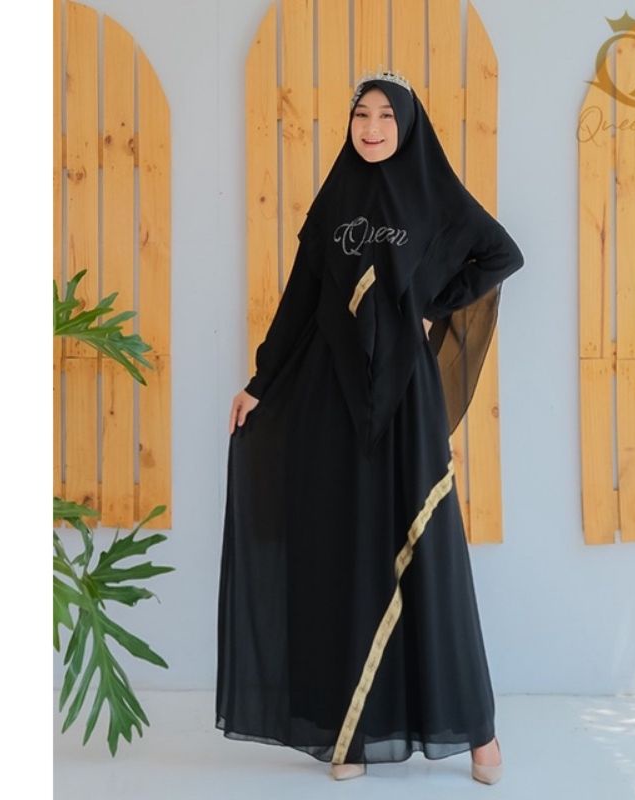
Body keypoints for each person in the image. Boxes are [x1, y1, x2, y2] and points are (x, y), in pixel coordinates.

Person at [216, 69, 524, 784]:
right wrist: (260, 382)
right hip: (333, 399)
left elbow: (502, 254)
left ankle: (478, 734)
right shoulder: (334, 201)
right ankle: (348, 734)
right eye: (362, 114)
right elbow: (300, 299)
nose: (373, 127)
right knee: (346, 552)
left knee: (430, 554)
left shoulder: (435, 195)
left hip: (407, 402)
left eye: (387, 115)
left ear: (407, 125)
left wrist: (431, 303)